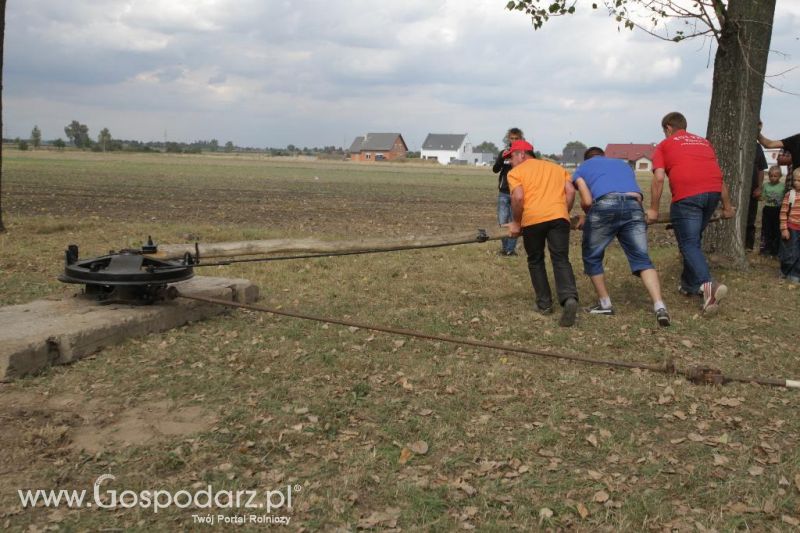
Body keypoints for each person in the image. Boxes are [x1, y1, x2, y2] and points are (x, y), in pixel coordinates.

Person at [646, 112, 736, 314]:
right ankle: (688, 285)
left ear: (668, 128)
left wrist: (652, 209)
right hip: (713, 194)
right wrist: (728, 207)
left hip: (687, 198)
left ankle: (708, 285)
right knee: (693, 240)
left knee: (688, 243)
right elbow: (718, 177)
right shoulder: (704, 143)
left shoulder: (664, 145)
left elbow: (659, 178)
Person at [572, 147, 670, 327]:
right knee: (642, 259)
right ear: (604, 156)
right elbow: (637, 196)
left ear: (586, 159)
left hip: (605, 204)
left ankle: (605, 304)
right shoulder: (623, 165)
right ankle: (659, 306)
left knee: (592, 255)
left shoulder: (582, 168)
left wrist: (590, 215)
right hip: (634, 205)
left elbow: (586, 201)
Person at [506, 139, 580, 327]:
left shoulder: (516, 172)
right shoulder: (555, 168)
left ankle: (544, 304)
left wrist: (516, 222)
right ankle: (569, 298)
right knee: (560, 258)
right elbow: (570, 191)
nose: (509, 162)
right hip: (559, 217)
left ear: (522, 154)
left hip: (533, 219)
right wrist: (565, 211)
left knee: (536, 259)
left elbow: (518, 196)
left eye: (511, 157)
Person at [493, 128, 524, 256]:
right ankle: (505, 248)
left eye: (517, 138)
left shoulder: (523, 154)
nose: (514, 140)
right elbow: (495, 169)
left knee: (515, 221)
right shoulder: (503, 153)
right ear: (508, 139)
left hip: (516, 191)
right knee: (502, 221)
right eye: (512, 138)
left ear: (520, 139)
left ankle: (510, 250)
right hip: (504, 192)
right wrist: (502, 158)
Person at [746, 140, 768, 251]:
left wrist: (759, 187)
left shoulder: (757, 147)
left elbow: (761, 168)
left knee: (750, 219)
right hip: (736, 189)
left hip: (752, 189)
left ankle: (748, 246)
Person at [779, 169, 800, 282]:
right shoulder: (790, 195)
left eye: (799, 180)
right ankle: (784, 270)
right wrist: (784, 229)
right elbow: (783, 212)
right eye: (795, 180)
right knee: (789, 252)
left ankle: (796, 274)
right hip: (792, 228)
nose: (796, 182)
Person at [760, 165, 784, 257]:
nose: (773, 178)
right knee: (766, 229)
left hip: (778, 209)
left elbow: (784, 198)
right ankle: (766, 248)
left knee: (776, 230)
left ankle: (775, 250)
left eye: (775, 176)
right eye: (771, 176)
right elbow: (763, 197)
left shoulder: (783, 186)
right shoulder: (766, 185)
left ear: (780, 176)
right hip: (768, 209)